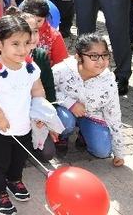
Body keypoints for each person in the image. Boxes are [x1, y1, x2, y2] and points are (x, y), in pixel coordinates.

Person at [0, 14, 47, 215]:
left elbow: (37, 90)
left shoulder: (30, 67)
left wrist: (40, 111)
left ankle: (14, 180)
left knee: (18, 160)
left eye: (26, 43)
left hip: (23, 126)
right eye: (15, 44)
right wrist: (0, 116)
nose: (23, 49)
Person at [52, 33, 125, 165]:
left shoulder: (108, 81)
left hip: (92, 116)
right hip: (65, 112)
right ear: (78, 57)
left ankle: (83, 135)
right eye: (93, 56)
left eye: (105, 55)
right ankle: (63, 136)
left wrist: (119, 152)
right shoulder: (61, 70)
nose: (101, 61)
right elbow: (46, 92)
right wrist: (70, 104)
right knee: (66, 122)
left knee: (103, 152)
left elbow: (114, 115)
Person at [17, 0, 68, 102]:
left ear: (46, 18)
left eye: (39, 21)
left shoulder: (54, 36)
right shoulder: (12, 38)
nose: (34, 23)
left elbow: (62, 66)